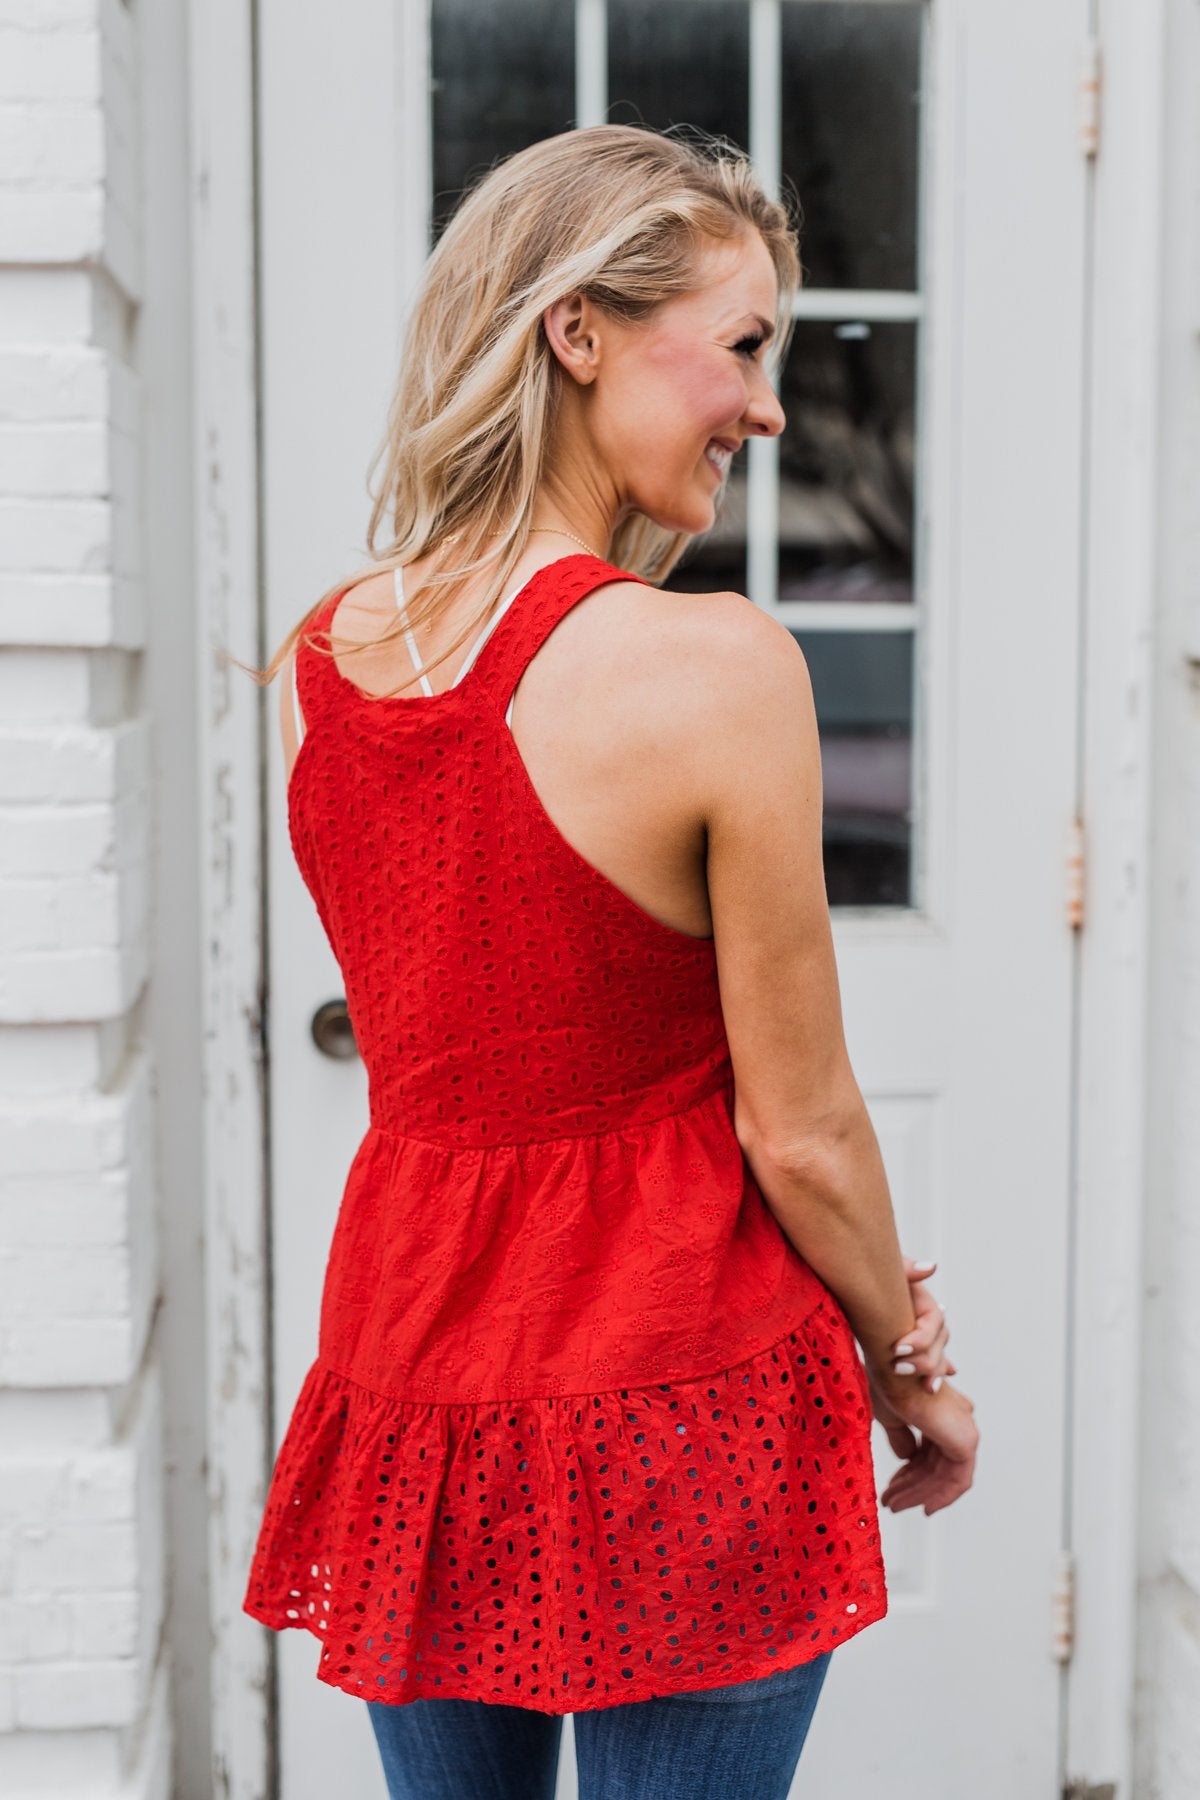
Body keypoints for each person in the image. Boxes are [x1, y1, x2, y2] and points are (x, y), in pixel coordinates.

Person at [240, 122, 979, 1800]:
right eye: (742, 347)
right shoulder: (715, 669)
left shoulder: (333, 656)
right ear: (577, 332)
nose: (772, 408)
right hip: (683, 1397)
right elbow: (802, 1127)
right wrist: (911, 1370)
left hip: (418, 1388)